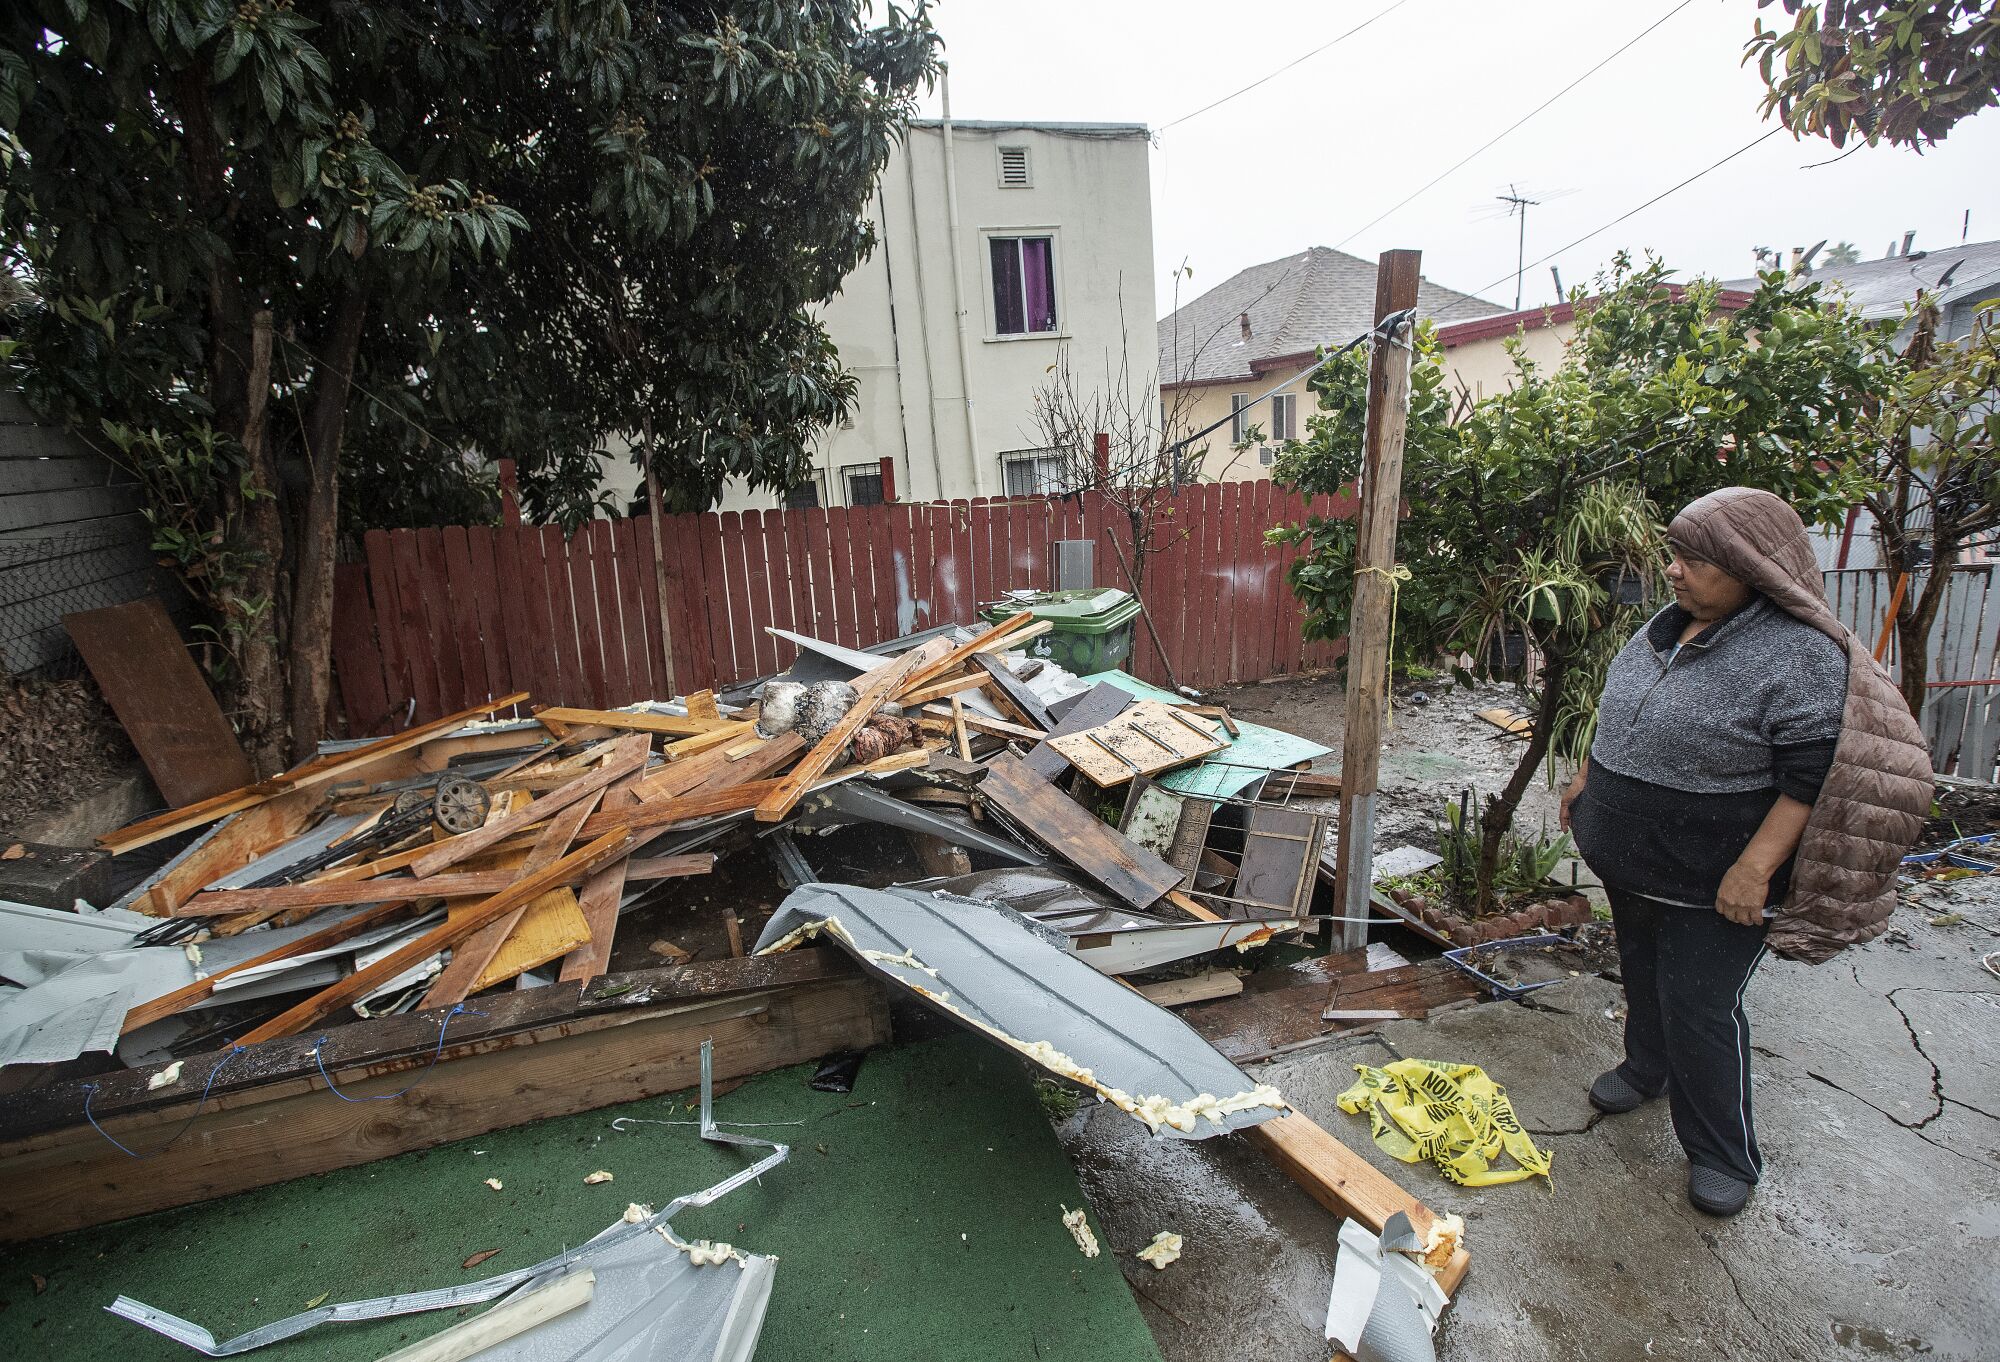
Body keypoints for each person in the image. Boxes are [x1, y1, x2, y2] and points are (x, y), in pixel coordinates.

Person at [1560, 487, 1931, 1217]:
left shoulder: (1798, 656)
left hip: (1714, 879)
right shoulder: (1667, 628)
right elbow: (1620, 714)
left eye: (1696, 560)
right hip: (1635, 864)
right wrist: (1587, 777)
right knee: (1641, 971)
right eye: (1674, 555)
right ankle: (1645, 1069)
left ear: (1755, 569)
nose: (1674, 571)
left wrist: (1755, 867)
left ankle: (1723, 1153)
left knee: (1699, 1005)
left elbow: (1808, 779)